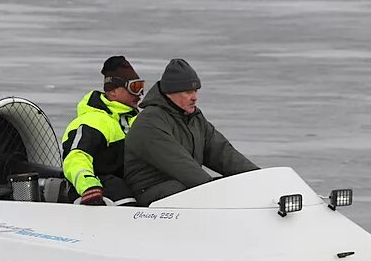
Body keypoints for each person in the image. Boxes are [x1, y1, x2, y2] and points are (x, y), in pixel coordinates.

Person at [124, 58, 259, 206]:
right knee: (201, 190)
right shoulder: (150, 122)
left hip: (185, 184)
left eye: (195, 91)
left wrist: (258, 178)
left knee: (232, 185)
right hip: (150, 191)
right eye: (188, 92)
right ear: (170, 92)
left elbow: (223, 153)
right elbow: (181, 165)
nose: (195, 97)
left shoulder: (194, 118)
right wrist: (214, 191)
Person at [61, 56, 144, 206]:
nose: (139, 95)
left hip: (131, 182)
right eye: (134, 88)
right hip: (94, 190)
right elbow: (76, 157)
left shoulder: (138, 121)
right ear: (112, 92)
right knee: (121, 191)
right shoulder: (93, 121)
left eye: (140, 87)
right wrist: (88, 185)